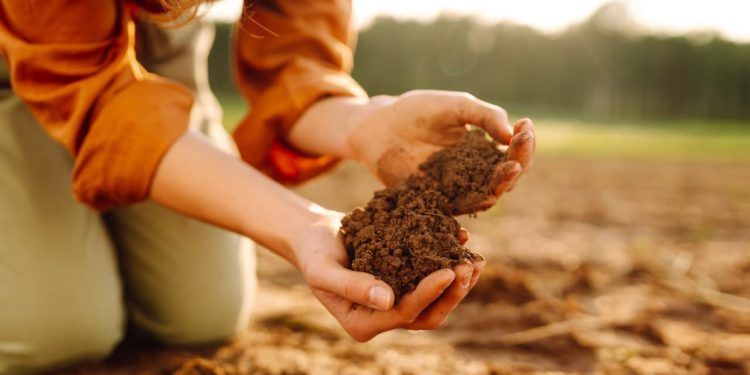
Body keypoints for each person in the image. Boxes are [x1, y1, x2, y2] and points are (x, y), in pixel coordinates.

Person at [0, 0, 535, 373]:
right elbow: (95, 96)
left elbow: (294, 57)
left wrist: (365, 125)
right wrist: (298, 224)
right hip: (26, 49)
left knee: (199, 316)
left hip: (157, 58)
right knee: (59, 333)